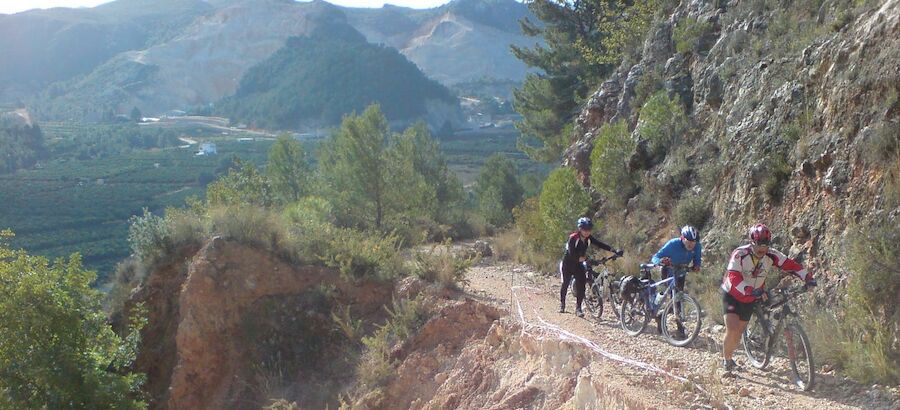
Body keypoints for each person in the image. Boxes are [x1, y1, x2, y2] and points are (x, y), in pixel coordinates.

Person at [720, 224, 816, 372]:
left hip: (752, 296)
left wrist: (807, 278)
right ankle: (727, 361)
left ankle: (762, 336)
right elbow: (733, 277)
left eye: (765, 245)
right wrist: (748, 289)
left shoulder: (772, 255)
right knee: (732, 329)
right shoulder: (740, 254)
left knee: (739, 331)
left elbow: (791, 266)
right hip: (732, 294)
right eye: (759, 244)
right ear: (752, 242)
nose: (762, 249)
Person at [560, 217, 623, 317]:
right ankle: (562, 304)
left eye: (589, 229)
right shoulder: (573, 238)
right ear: (580, 229)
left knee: (582, 285)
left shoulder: (589, 238)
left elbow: (599, 244)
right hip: (568, 264)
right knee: (565, 283)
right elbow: (572, 253)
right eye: (585, 229)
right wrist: (584, 259)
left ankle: (578, 308)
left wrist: (614, 250)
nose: (587, 232)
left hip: (578, 265)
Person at [650, 225, 702, 338]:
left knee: (678, 298)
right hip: (668, 271)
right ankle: (680, 329)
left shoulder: (697, 246)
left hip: (681, 272)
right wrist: (660, 261)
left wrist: (696, 266)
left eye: (693, 242)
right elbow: (655, 257)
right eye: (689, 242)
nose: (691, 245)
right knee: (674, 299)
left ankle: (661, 316)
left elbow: (697, 260)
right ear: (682, 238)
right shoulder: (673, 244)